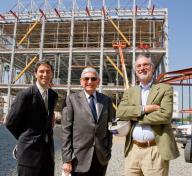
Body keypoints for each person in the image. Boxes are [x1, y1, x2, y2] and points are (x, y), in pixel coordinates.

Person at [116, 54, 180, 176]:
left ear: (152, 68)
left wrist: (135, 117)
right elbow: (120, 112)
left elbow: (165, 116)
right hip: (133, 150)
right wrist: (145, 109)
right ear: (135, 71)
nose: (142, 68)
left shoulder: (165, 89)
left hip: (155, 150)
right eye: (139, 66)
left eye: (146, 64)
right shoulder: (130, 92)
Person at [6, 59, 58, 176]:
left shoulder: (53, 96)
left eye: (48, 71)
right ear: (35, 74)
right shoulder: (25, 95)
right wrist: (24, 139)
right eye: (41, 71)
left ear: (52, 74)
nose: (45, 74)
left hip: (48, 154)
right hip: (28, 154)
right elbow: (10, 122)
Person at [61, 67, 114, 176]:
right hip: (78, 159)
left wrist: (107, 150)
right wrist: (67, 159)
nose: (90, 81)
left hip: (100, 158)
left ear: (98, 82)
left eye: (93, 79)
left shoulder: (106, 100)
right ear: (81, 81)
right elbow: (66, 130)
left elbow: (109, 128)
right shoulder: (71, 100)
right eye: (86, 79)